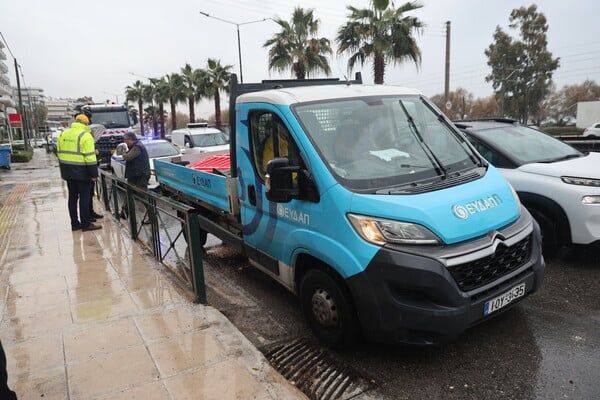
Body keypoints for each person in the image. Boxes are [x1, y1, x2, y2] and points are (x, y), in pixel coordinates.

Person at [56, 114, 102, 231]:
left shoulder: (63, 134)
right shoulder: (85, 135)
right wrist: (94, 174)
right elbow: (90, 157)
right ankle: (86, 224)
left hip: (67, 171)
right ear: (86, 124)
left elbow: (58, 152)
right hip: (82, 172)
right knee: (84, 197)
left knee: (72, 197)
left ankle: (75, 224)